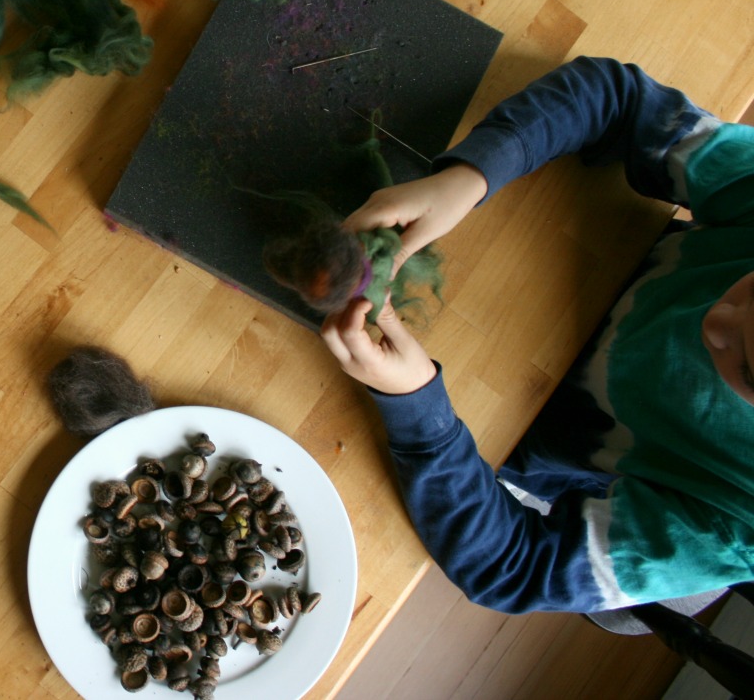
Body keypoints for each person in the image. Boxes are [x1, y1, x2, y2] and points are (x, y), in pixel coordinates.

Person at [319, 56, 754, 615]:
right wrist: (469, 177)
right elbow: (619, 99)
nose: (712, 323)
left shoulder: (738, 525)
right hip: (546, 249)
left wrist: (416, 410)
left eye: (745, 366)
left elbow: (515, 569)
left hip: (495, 423)